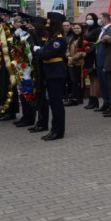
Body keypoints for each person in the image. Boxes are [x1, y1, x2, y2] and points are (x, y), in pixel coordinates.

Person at [34, 12, 69, 141]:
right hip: (50, 72)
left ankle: (58, 131)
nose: (47, 25)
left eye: (49, 23)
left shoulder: (58, 40)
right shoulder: (52, 38)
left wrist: (37, 51)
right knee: (53, 102)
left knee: (56, 103)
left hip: (56, 72)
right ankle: (54, 129)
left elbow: (47, 54)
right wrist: (41, 51)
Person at [93, 12, 111, 113]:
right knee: (103, 84)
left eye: (100, 18)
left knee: (107, 84)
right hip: (99, 61)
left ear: (105, 19)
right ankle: (105, 103)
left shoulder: (110, 29)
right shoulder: (102, 30)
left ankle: (110, 105)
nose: (98, 20)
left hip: (105, 61)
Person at [82, 13, 101, 109]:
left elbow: (97, 44)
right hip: (87, 56)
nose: (89, 20)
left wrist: (88, 51)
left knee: (95, 78)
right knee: (91, 78)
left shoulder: (97, 30)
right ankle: (91, 99)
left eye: (91, 19)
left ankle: (95, 99)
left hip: (93, 55)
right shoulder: (87, 29)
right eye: (87, 18)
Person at [65, 23, 86, 106]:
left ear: (81, 29)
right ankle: (74, 98)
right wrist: (68, 56)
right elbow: (67, 49)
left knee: (80, 81)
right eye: (74, 28)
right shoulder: (71, 39)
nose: (76, 30)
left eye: (78, 28)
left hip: (79, 63)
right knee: (73, 81)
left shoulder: (84, 38)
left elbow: (83, 51)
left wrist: (73, 58)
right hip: (71, 63)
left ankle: (78, 98)